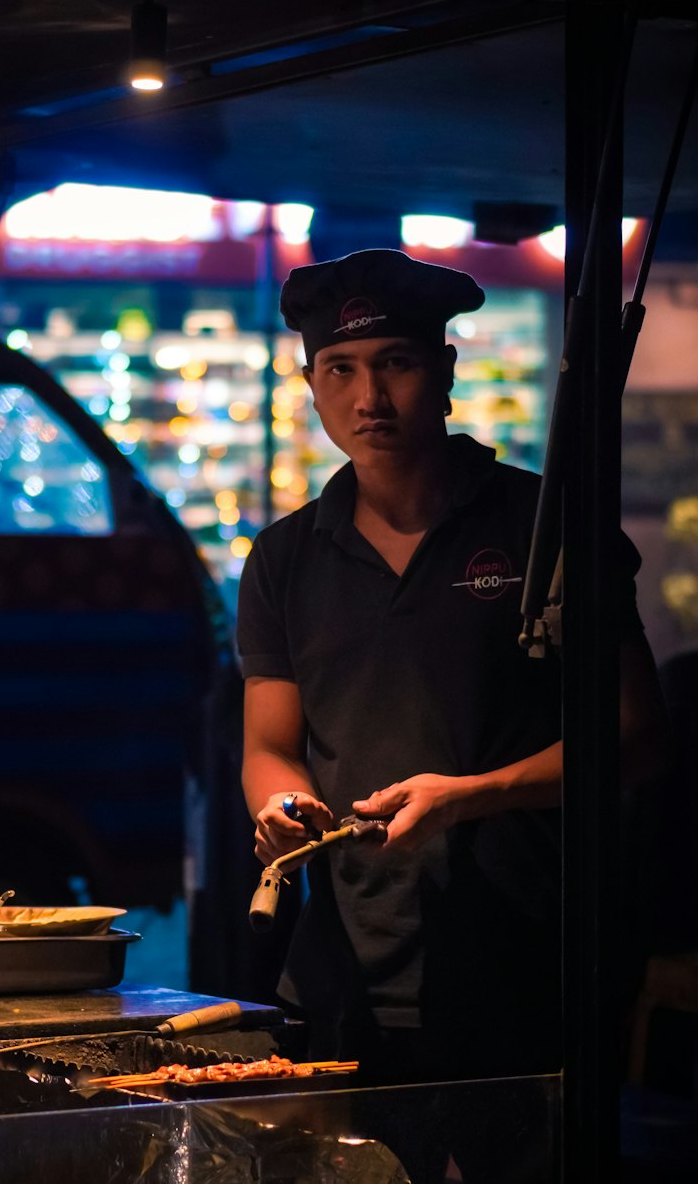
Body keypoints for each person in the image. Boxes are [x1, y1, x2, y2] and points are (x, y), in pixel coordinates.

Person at [236, 249, 665, 1183]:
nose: (369, 396)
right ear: (311, 386)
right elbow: (270, 746)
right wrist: (281, 806)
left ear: (445, 369)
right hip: (350, 972)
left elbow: (633, 738)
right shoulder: (284, 557)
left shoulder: (545, 524)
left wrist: (470, 795)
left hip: (529, 963)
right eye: (340, 370)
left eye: (395, 361)